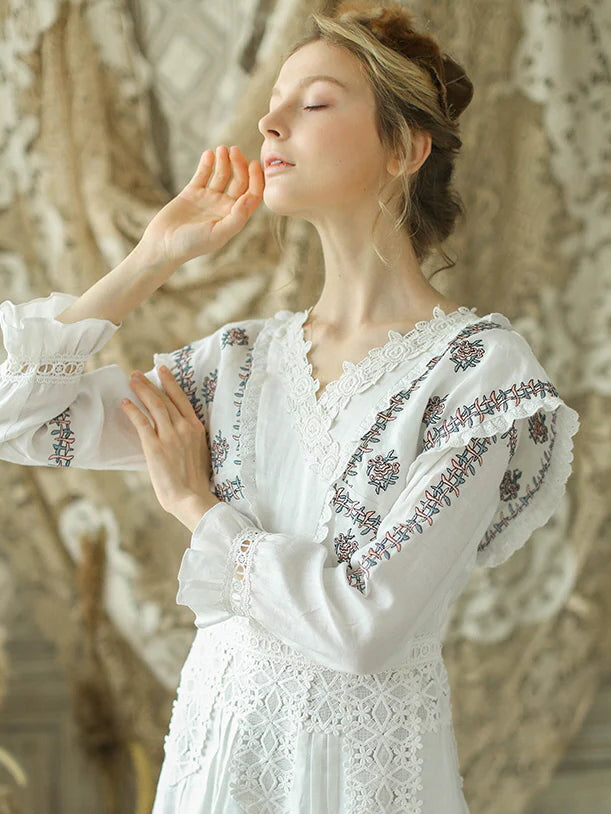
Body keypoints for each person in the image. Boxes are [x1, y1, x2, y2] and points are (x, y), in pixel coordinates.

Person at [0, 2, 580, 812]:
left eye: (311, 103)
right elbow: (19, 418)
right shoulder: (234, 368)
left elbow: (362, 627)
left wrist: (200, 510)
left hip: (362, 781)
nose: (268, 122)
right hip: (216, 766)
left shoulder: (476, 378)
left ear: (403, 150)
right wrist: (149, 259)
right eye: (274, 101)